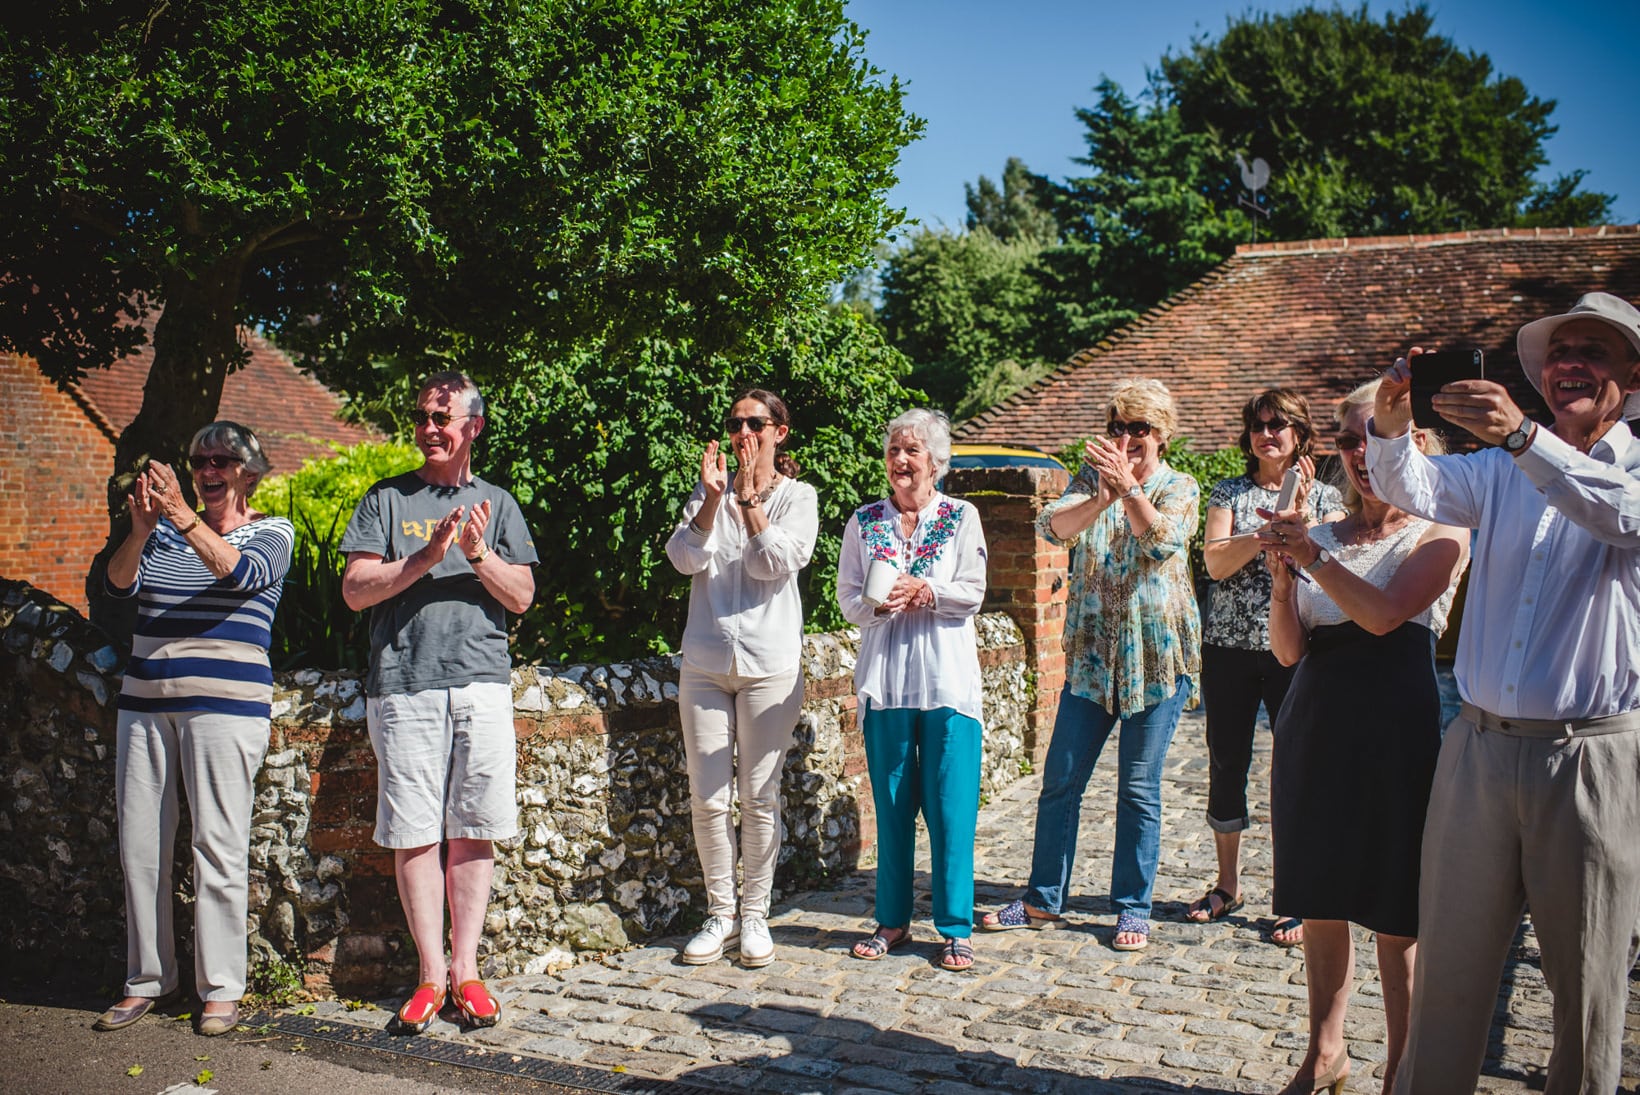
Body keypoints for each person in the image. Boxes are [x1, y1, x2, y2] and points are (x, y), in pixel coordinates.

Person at [1367, 293, 1640, 1095]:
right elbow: (1411, 484)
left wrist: (1521, 436)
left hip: (1587, 757)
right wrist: (1388, 421)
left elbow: (1615, 514)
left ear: (1632, 371)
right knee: (1449, 965)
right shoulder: (1497, 470)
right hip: (1479, 750)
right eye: (1559, 352)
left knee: (1588, 990)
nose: (1570, 364)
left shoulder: (1628, 467)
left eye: (1593, 350)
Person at [1257, 380, 1467, 1095]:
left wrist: (1311, 561)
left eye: (1372, 435)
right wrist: (1284, 583)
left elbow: (1384, 615)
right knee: (1318, 892)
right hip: (1314, 720)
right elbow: (1287, 652)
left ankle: (1402, 1065)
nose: (1358, 451)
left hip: (1394, 727)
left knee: (1393, 905)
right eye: (1347, 438)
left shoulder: (1440, 528)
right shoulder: (1320, 535)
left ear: (1412, 442)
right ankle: (1325, 1051)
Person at [340, 371, 538, 1034]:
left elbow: (521, 596)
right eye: (423, 415)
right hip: (403, 684)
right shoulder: (386, 500)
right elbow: (356, 589)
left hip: (480, 682)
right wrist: (426, 555)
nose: (429, 428)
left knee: (473, 826)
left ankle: (467, 971)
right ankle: (429, 975)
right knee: (415, 832)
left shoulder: (498, 503)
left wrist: (478, 553)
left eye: (442, 417)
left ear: (472, 426)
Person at [981, 378, 1200, 952]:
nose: (1127, 438)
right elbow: (1051, 527)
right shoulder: (1090, 482)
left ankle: (1132, 907)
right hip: (1094, 659)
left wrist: (1129, 490)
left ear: (1163, 436)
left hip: (1155, 661)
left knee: (1138, 788)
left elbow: (1161, 542)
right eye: (1118, 427)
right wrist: (1103, 494)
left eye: (1140, 429)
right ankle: (1041, 899)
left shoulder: (1181, 487)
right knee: (1061, 780)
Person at [96, 422, 294, 1037]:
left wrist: (181, 514)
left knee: (218, 844)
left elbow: (238, 573)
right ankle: (146, 980)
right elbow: (116, 586)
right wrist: (140, 532)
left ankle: (221, 990)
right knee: (141, 847)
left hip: (226, 709)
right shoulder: (162, 534)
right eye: (199, 460)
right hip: (146, 701)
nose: (208, 470)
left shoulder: (272, 530)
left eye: (221, 461)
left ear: (249, 471)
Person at [665, 389, 818, 968]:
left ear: (781, 431)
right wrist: (711, 502)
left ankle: (755, 914)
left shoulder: (799, 497)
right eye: (734, 422)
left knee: (758, 797)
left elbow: (772, 563)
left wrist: (752, 503)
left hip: (768, 668)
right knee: (707, 798)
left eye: (755, 422)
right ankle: (719, 913)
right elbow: (683, 559)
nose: (742, 431)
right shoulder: (710, 495)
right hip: (704, 664)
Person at [1190, 389, 1342, 946]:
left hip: (1298, 648)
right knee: (1227, 761)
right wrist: (1265, 532)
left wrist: (1295, 512)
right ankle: (1228, 882)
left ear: (1300, 434)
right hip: (1229, 647)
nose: (1267, 433)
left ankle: (1297, 893)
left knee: (1298, 769)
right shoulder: (1229, 492)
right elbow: (1215, 562)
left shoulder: (1327, 498)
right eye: (1258, 425)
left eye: (1279, 425)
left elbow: (1334, 568)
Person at [838, 408, 987, 972]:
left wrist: (926, 591)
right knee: (894, 808)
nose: (901, 461)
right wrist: (879, 606)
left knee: (951, 810)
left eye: (913, 452)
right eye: (895, 450)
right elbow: (847, 598)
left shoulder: (961, 516)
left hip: (947, 683)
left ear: (936, 463)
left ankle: (954, 926)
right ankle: (893, 920)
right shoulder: (864, 521)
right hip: (887, 682)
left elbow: (973, 592)